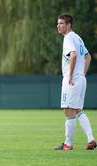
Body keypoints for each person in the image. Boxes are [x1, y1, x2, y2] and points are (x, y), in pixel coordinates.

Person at [54, 13, 96, 150]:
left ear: (68, 25)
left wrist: (71, 75)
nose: (58, 26)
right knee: (77, 109)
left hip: (72, 79)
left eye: (61, 23)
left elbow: (73, 55)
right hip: (80, 79)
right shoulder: (78, 37)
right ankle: (91, 140)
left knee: (68, 110)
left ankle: (68, 144)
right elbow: (88, 57)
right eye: (58, 23)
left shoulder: (69, 38)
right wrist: (82, 73)